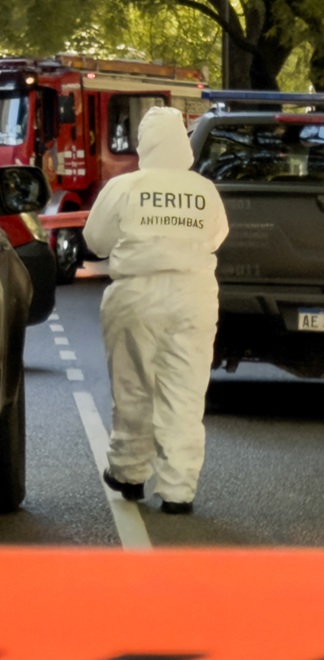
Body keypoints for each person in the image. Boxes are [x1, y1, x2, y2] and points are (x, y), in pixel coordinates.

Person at [83, 106, 229, 515]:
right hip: (194, 295)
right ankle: (179, 490)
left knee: (133, 387)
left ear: (145, 144)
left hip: (136, 295)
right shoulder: (204, 191)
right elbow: (217, 237)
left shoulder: (125, 187)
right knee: (185, 390)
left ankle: (129, 474)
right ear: (182, 145)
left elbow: (96, 239)